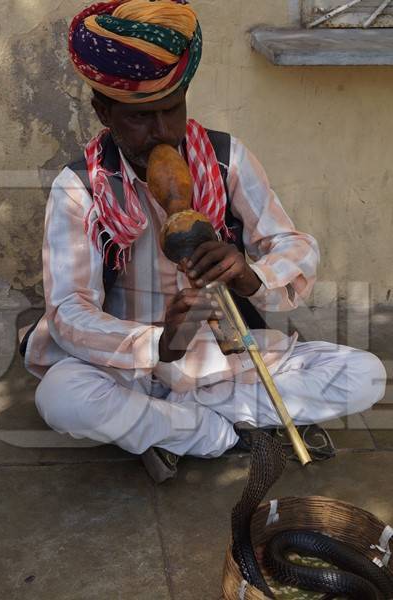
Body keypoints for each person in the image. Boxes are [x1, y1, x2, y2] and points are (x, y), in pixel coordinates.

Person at [24, 0, 386, 483]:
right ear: (103, 110)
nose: (161, 132)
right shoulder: (80, 187)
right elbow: (69, 313)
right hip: (127, 363)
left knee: (366, 375)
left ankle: (170, 429)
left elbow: (295, 247)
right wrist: (159, 344)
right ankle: (225, 434)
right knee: (61, 397)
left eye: (172, 110)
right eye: (139, 117)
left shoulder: (224, 158)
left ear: (187, 95)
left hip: (223, 358)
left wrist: (250, 274)